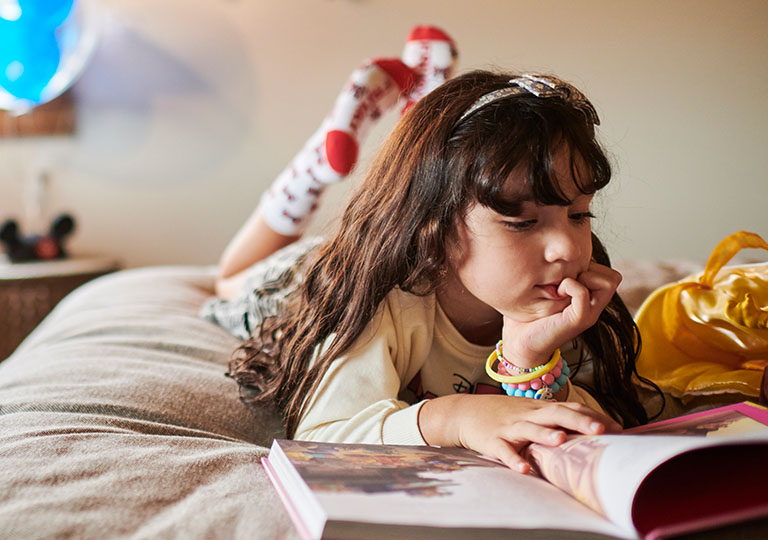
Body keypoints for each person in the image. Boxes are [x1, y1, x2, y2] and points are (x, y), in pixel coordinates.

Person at [202, 27, 657, 474]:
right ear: (434, 229)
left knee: (436, 175)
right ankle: (316, 168)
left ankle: (421, 116)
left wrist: (529, 361)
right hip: (305, 276)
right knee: (229, 276)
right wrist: (453, 416)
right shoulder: (376, 299)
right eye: (521, 222)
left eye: (578, 215)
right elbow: (325, 435)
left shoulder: (568, 307)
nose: (565, 247)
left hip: (419, 229)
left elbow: (584, 425)